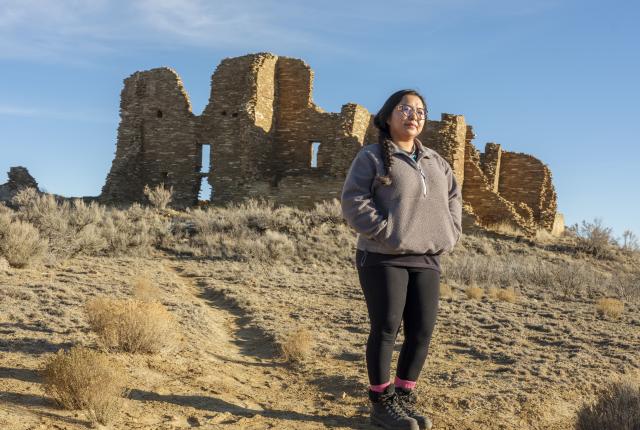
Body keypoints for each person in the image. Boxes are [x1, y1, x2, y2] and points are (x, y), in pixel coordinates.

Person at [341, 89, 462, 430]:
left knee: (422, 331)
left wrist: (449, 233)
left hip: (426, 257)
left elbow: (454, 199)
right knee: (386, 328)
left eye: (420, 111)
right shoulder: (372, 157)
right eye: (405, 109)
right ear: (389, 116)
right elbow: (353, 200)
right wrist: (386, 231)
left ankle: (404, 397)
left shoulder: (436, 162)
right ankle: (381, 405)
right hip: (382, 256)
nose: (414, 116)